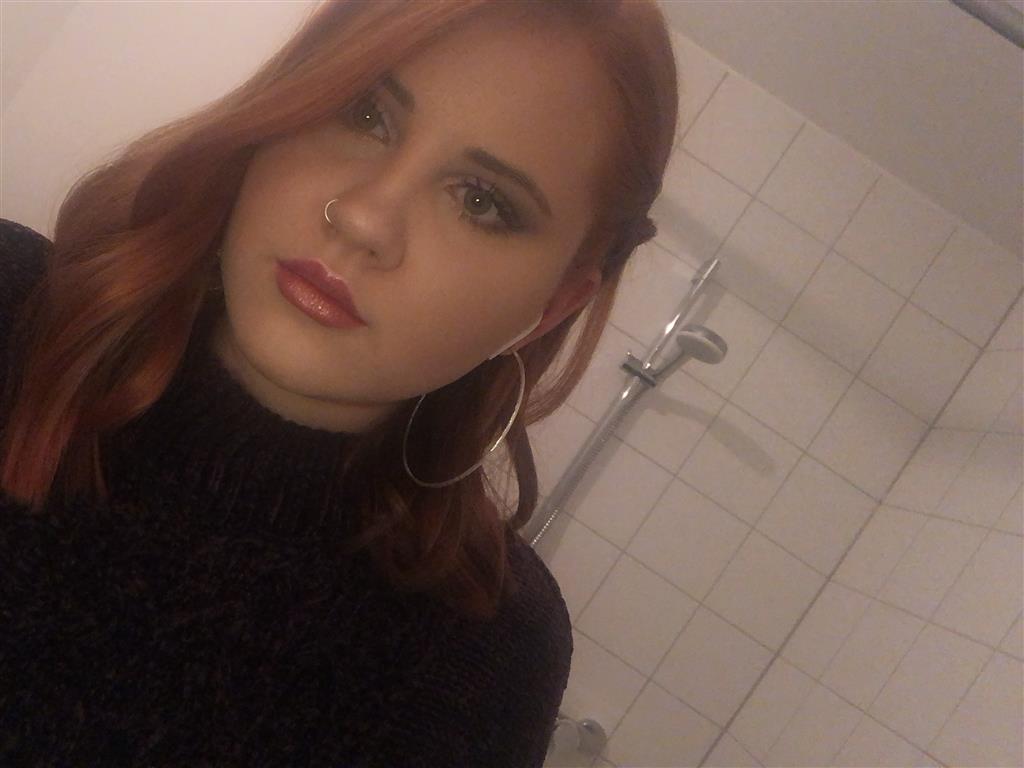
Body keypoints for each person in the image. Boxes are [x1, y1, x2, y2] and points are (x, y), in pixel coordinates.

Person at [0, 0, 678, 765]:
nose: (363, 219)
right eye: (364, 113)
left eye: (481, 202)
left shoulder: (488, 650)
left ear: (550, 308)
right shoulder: (13, 308)